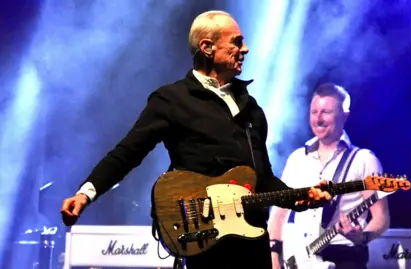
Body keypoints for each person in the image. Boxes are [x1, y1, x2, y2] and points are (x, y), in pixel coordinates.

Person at [60, 10, 333, 269]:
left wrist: (297, 197)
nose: (245, 49)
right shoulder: (172, 100)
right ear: (207, 47)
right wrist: (86, 193)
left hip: (252, 240)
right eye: (236, 43)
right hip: (206, 238)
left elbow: (262, 177)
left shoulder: (252, 110)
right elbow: (127, 152)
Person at [268, 83, 390, 269]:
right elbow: (278, 215)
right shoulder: (297, 159)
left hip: (345, 258)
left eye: (326, 112)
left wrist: (362, 236)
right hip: (300, 259)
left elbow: (381, 218)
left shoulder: (364, 160)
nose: (318, 119)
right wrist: (274, 257)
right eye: (314, 112)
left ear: (344, 115)